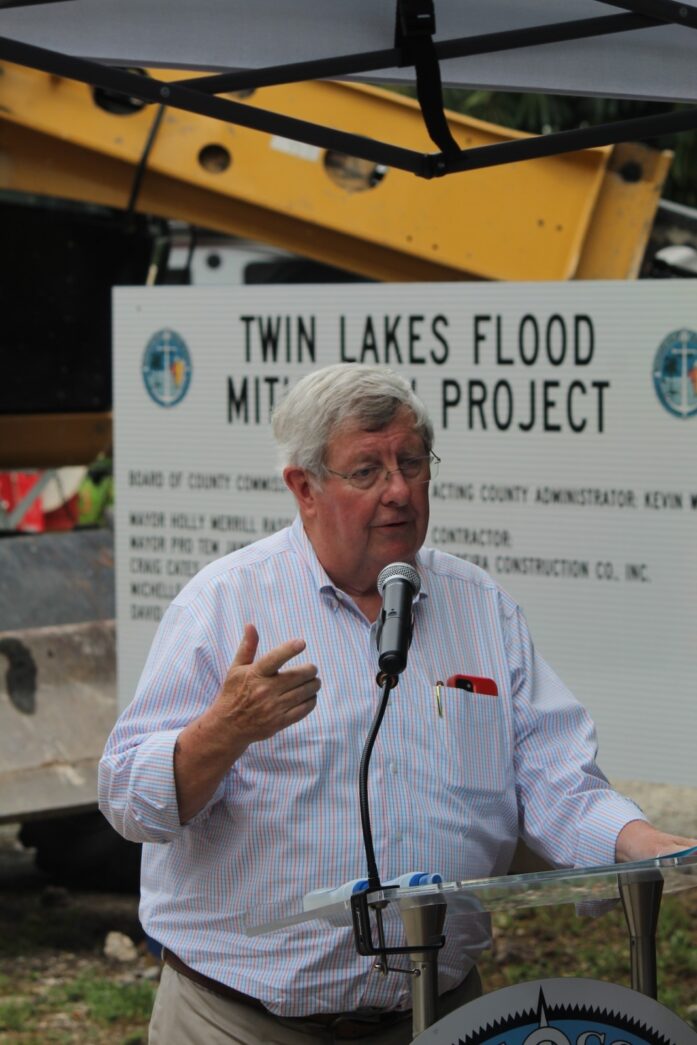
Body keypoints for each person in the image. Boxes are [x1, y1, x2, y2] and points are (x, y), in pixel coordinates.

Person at [99, 364, 695, 1044]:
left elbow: (552, 776)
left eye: (411, 462)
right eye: (366, 471)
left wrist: (638, 841)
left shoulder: (479, 607)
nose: (399, 490)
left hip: (437, 1016)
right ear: (304, 487)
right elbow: (126, 797)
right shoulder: (224, 603)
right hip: (239, 1022)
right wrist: (221, 732)